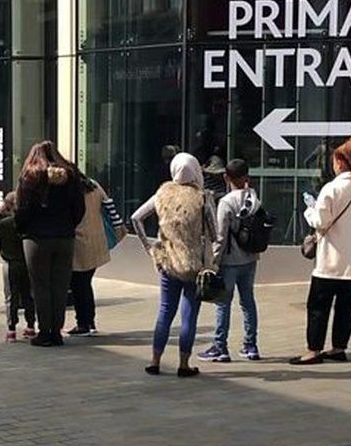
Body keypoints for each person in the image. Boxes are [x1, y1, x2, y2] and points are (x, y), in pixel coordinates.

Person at [131, 152, 217, 377]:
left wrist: (150, 248)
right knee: (189, 316)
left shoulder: (163, 194)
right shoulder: (203, 197)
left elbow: (136, 218)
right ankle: (184, 364)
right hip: (194, 265)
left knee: (165, 312)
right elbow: (215, 232)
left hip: (168, 263)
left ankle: (155, 360)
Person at [290, 137, 351, 366]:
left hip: (330, 261)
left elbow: (320, 221)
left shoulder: (332, 188)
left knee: (318, 306)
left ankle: (313, 349)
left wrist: (309, 209)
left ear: (340, 161)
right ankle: (338, 347)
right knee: (345, 308)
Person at [15, 141, 86, 347]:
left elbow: (22, 208)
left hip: (37, 238)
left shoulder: (30, 175)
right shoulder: (71, 175)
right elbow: (79, 208)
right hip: (65, 237)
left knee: (40, 286)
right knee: (60, 285)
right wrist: (69, 225)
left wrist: (23, 228)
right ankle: (57, 331)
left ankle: (44, 331)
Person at [199, 158, 262, 363]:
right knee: (248, 302)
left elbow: (220, 235)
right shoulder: (254, 198)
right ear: (247, 177)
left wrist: (213, 262)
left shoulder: (226, 202)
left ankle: (220, 347)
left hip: (229, 260)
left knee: (223, 304)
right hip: (250, 258)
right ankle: (250, 345)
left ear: (226, 177)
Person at [68, 177, 124, 337]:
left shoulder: (72, 191)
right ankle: (89, 322)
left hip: (79, 241)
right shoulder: (94, 185)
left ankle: (83, 323)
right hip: (97, 239)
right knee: (85, 282)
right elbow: (109, 206)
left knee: (79, 284)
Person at [0, 192, 36, 342]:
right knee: (28, 295)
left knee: (11, 296)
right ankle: (30, 326)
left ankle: (11, 329)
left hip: (10, 263)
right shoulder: (29, 222)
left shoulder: (5, 224)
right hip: (27, 263)